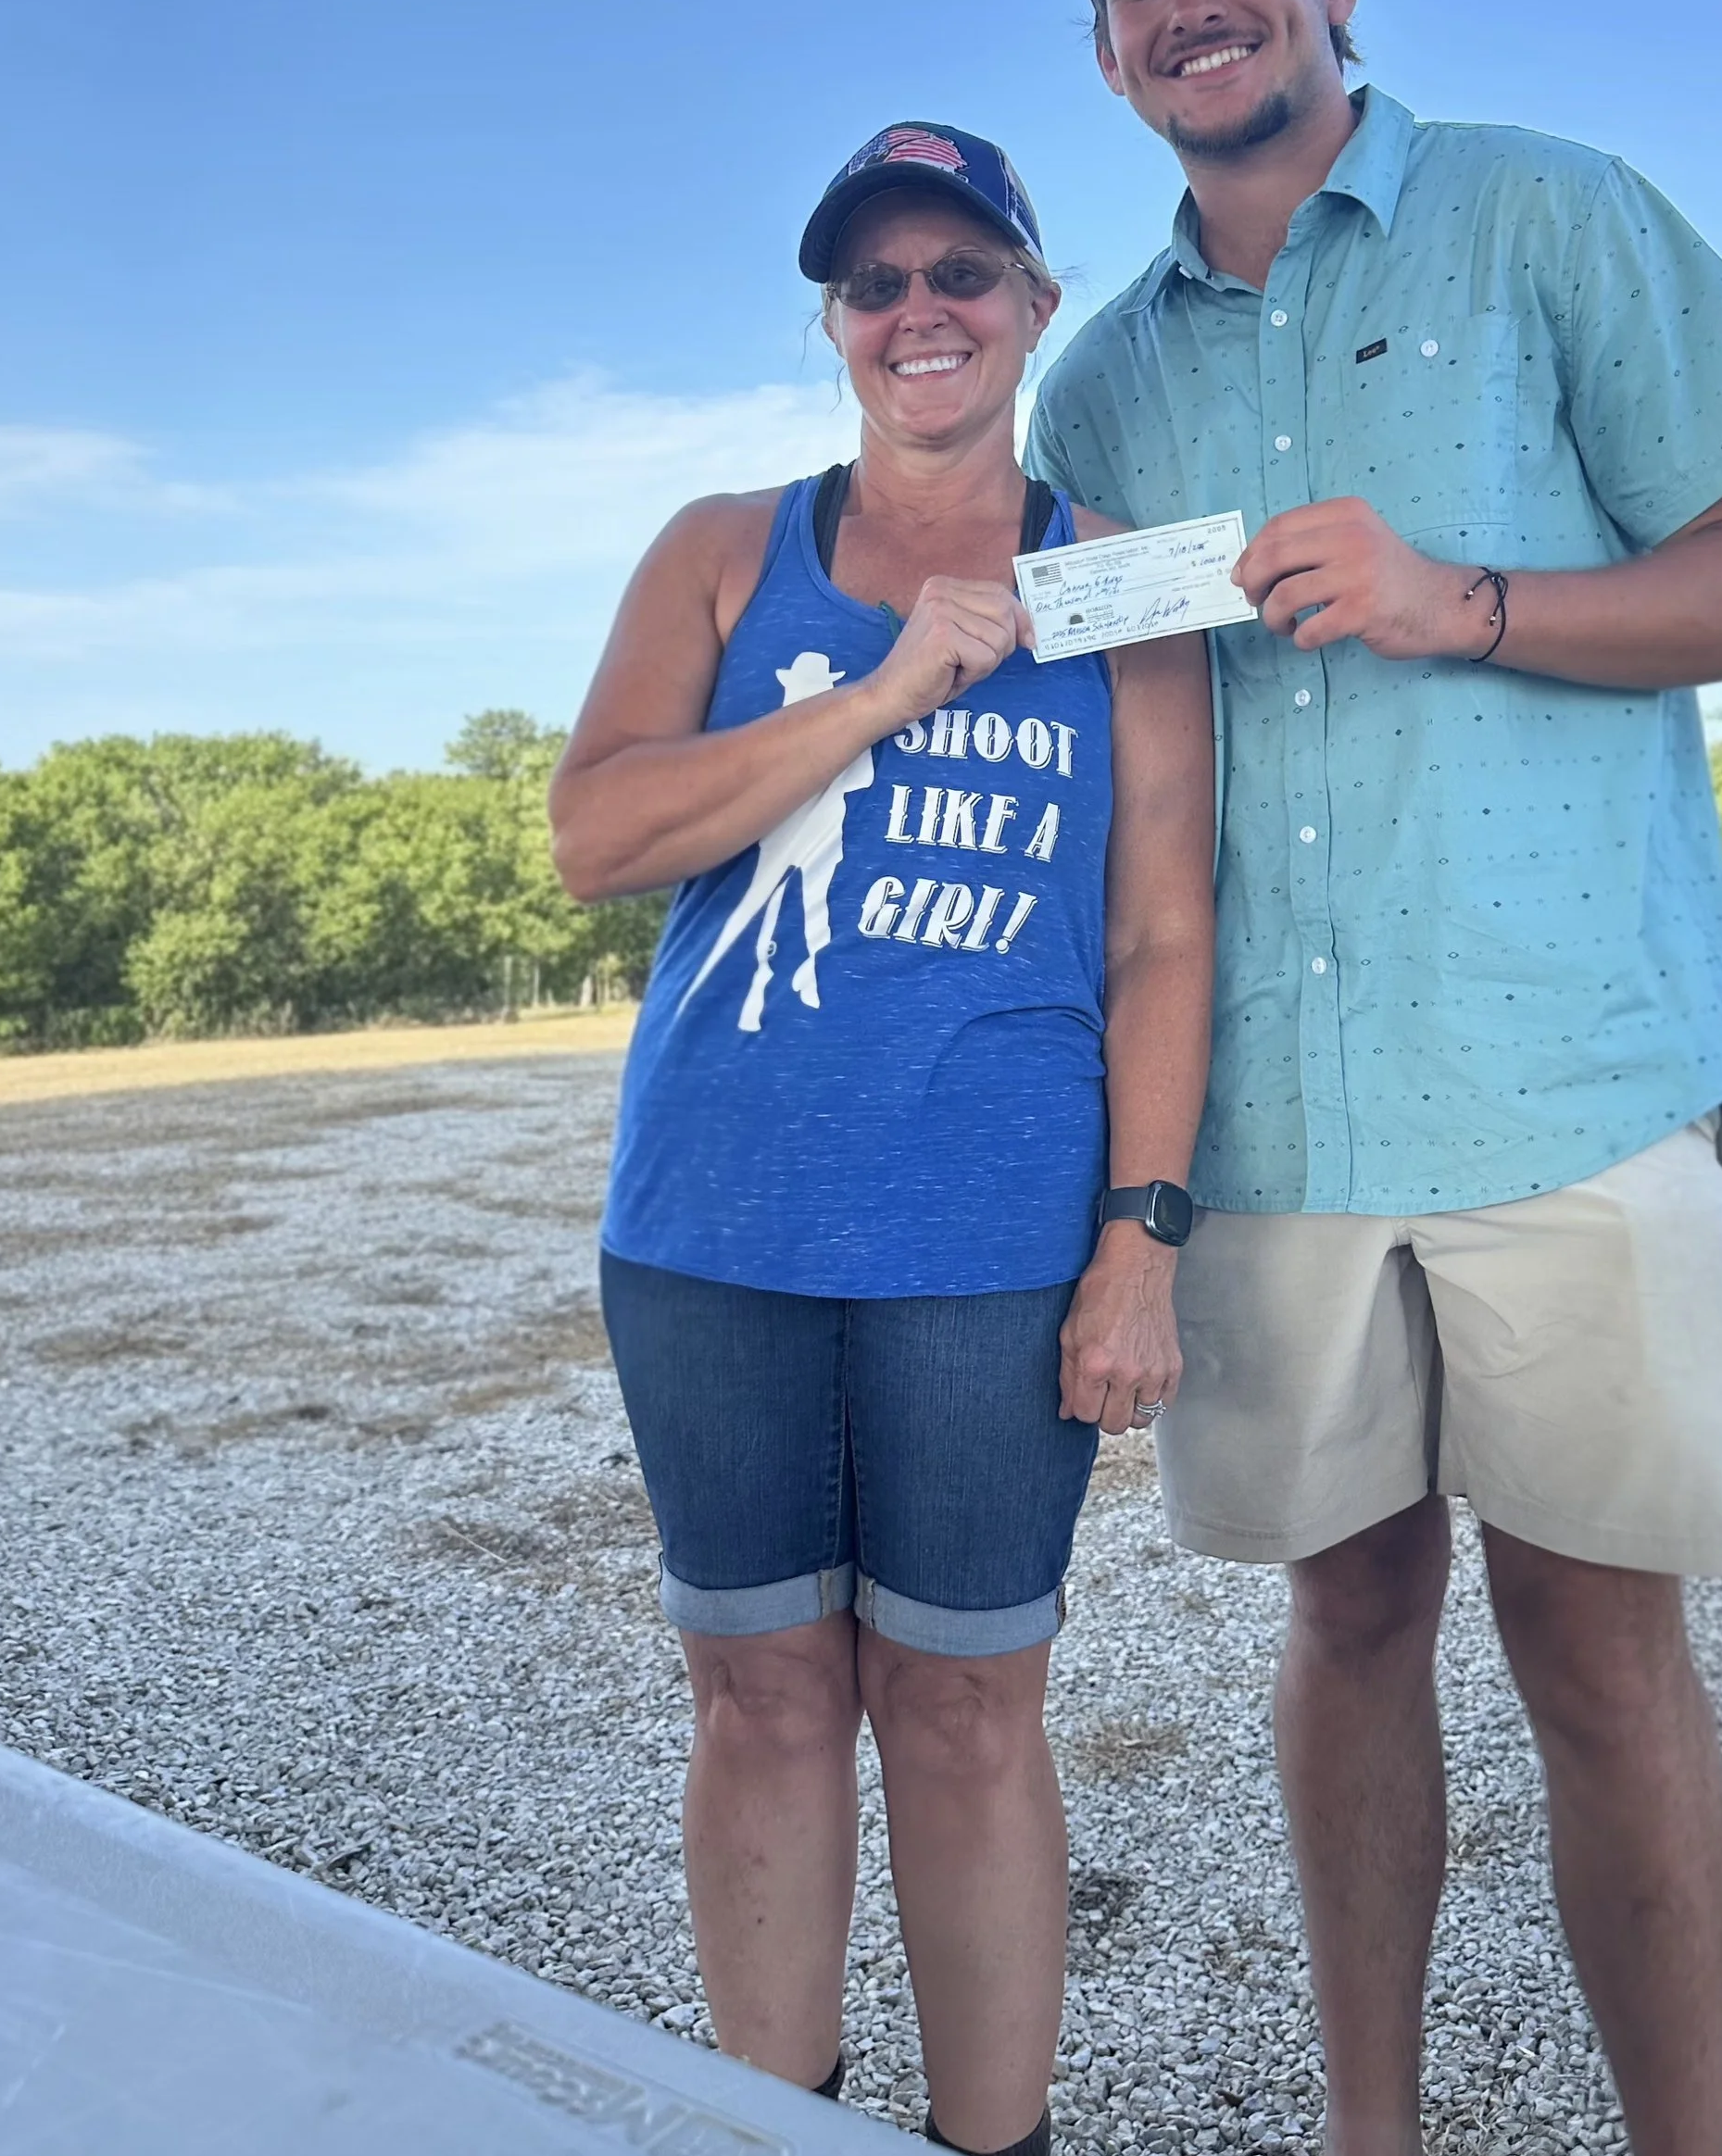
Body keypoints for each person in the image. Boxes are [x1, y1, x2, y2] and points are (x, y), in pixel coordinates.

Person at [1025, 0, 1722, 2156]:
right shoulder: (1095, 390)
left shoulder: (1546, 210)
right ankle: (1366, 2131)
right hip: (1270, 1117)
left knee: (1601, 1652)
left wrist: (1456, 596)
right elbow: (1106, 760)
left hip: (1560, 1071)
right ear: (1106, 50)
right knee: (1346, 1622)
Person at [551, 121, 1214, 2156]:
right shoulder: (723, 548)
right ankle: (784, 2122)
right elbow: (597, 834)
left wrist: (1141, 1236)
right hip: (712, 1227)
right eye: (875, 282)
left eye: (960, 272)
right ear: (836, 324)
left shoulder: (1120, 581)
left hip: (989, 1242)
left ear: (1034, 299)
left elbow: (1164, 931)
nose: (919, 310)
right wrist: (886, 680)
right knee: (759, 1694)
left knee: (966, 1706)